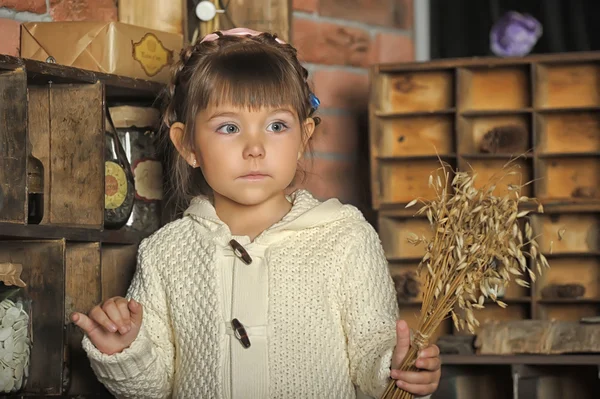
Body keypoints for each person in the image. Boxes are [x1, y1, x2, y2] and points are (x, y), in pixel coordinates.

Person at [70, 28, 442, 399]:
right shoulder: (164, 253)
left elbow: (372, 352)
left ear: (303, 137)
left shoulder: (345, 237)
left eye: (277, 126)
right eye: (229, 127)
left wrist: (400, 368)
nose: (255, 148)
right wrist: (123, 351)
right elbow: (153, 387)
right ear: (187, 145)